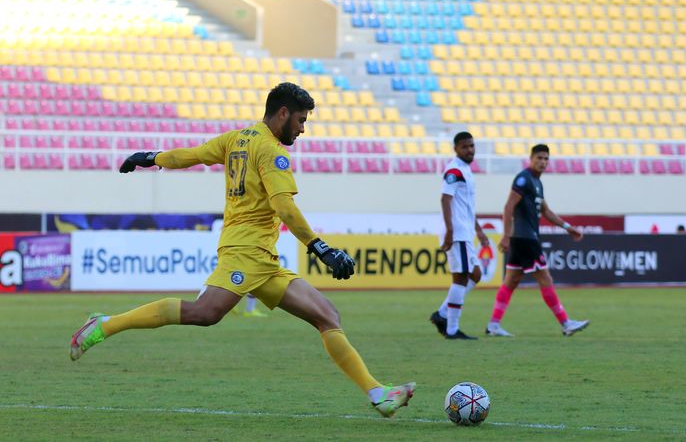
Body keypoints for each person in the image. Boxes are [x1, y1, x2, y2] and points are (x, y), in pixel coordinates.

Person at [69, 82, 415, 417]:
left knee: (327, 316)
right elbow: (285, 207)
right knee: (204, 313)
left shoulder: (237, 138)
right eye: (301, 120)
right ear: (283, 113)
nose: (303, 129)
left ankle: (378, 394)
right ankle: (105, 324)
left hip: (263, 258)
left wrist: (150, 157)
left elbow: (190, 155)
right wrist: (320, 248)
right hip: (244, 252)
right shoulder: (271, 151)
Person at [485, 144, 589, 337]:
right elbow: (508, 207)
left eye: (546, 159)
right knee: (545, 278)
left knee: (511, 281)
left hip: (521, 238)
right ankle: (566, 323)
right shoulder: (524, 179)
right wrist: (506, 235)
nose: (542, 162)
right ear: (531, 158)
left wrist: (568, 228)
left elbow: (546, 211)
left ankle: (493, 325)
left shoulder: (537, 183)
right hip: (525, 238)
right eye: (539, 158)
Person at [429, 132, 490, 340]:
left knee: (475, 274)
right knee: (461, 278)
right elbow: (445, 200)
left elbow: (465, 207)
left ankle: (443, 313)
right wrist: (450, 232)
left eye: (472, 146)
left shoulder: (466, 170)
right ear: (456, 149)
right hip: (457, 232)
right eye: (465, 147)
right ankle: (452, 329)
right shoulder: (454, 170)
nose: (470, 150)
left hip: (465, 231)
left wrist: (479, 230)